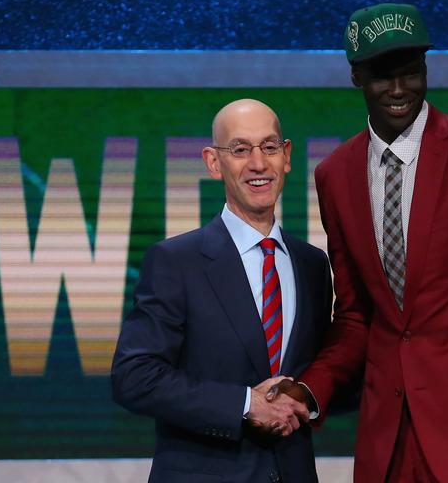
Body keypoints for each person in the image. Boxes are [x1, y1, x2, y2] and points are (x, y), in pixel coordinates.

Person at [269, 3, 448, 483]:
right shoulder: (335, 176)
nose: (400, 89)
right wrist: (308, 389)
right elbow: (356, 317)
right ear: (356, 77)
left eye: (412, 72)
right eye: (384, 76)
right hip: (385, 442)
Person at [111, 98, 331, 483]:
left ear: (287, 155)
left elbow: (324, 370)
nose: (259, 164)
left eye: (269, 147)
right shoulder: (175, 261)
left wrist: (306, 397)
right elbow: (134, 376)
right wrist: (245, 404)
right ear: (214, 162)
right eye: (241, 150)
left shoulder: (312, 264)